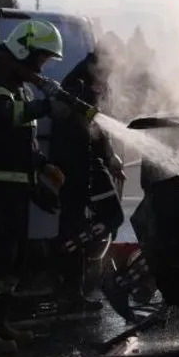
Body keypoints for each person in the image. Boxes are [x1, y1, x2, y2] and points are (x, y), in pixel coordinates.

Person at [0, 19, 72, 356]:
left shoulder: (17, 78)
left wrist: (43, 165)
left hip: (15, 180)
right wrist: (45, 106)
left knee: (14, 258)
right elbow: (2, 115)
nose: (42, 64)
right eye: (41, 57)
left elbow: (21, 137)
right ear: (25, 46)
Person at [54, 49, 127, 311]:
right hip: (77, 167)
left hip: (82, 165)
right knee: (102, 219)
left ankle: (74, 281)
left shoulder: (81, 84)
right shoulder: (80, 87)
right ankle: (69, 268)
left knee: (94, 220)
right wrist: (110, 157)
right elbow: (91, 127)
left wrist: (109, 158)